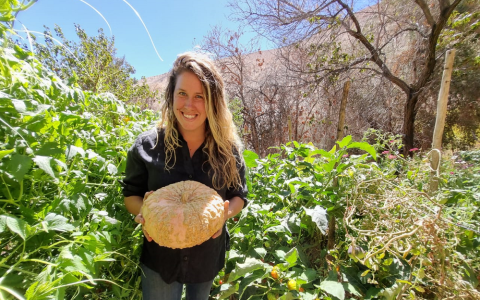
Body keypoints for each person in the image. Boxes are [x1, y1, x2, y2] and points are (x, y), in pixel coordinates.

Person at [122, 52, 248, 300]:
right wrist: (145, 213)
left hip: (206, 257)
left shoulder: (228, 150)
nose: (189, 105)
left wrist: (224, 214)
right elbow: (131, 196)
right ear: (171, 95)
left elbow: (238, 196)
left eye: (200, 96)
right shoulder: (147, 146)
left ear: (213, 101)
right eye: (182, 94)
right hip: (160, 259)